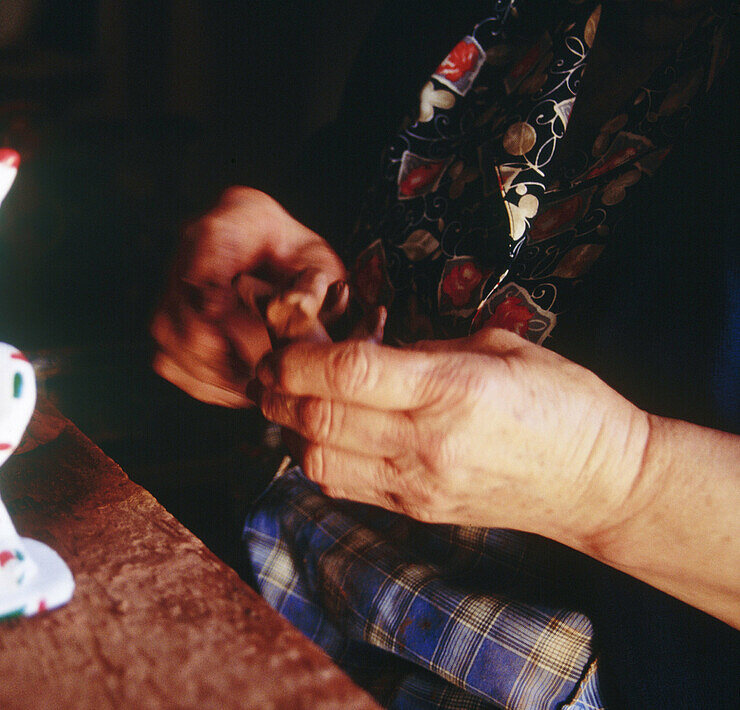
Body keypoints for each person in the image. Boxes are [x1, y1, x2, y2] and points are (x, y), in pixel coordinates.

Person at [152, 1, 739, 707]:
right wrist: (274, 277)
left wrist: (616, 476)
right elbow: (342, 215)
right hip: (277, 599)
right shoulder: (453, 22)